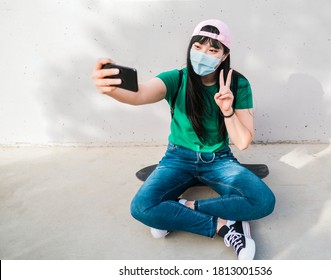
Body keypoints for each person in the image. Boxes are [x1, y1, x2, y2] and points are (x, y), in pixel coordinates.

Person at [92, 19, 275, 260]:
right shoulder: (176, 79)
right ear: (190, 48)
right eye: (198, 47)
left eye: (212, 50)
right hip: (177, 158)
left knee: (263, 202)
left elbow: (242, 142)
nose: (203, 55)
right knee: (141, 207)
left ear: (224, 55)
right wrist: (113, 89)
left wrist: (227, 110)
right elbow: (140, 94)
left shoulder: (238, 84)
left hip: (219, 160)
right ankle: (226, 226)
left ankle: (177, 211)